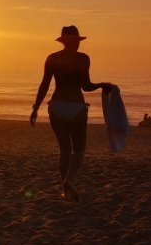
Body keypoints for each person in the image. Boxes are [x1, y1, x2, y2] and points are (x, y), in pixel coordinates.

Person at [30, 25, 111, 202]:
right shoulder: (83, 59)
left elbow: (44, 85)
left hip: (57, 106)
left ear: (63, 41)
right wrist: (102, 85)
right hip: (76, 107)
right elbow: (86, 86)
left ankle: (66, 191)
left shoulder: (52, 58)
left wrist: (35, 108)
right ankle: (69, 182)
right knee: (79, 148)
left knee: (65, 150)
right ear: (75, 41)